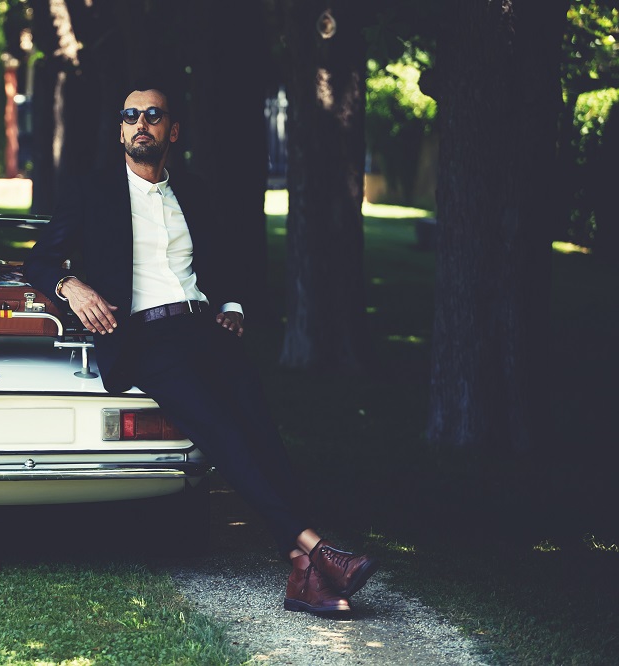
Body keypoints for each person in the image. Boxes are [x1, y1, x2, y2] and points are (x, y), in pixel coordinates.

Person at [24, 86, 378, 615]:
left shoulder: (192, 190)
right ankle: (316, 549)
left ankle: (305, 571)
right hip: (145, 338)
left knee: (261, 432)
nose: (140, 123)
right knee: (223, 433)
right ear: (120, 130)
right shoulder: (91, 191)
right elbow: (39, 261)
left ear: (172, 130)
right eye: (130, 115)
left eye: (152, 115)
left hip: (205, 330)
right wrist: (70, 286)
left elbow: (221, 259)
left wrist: (231, 304)